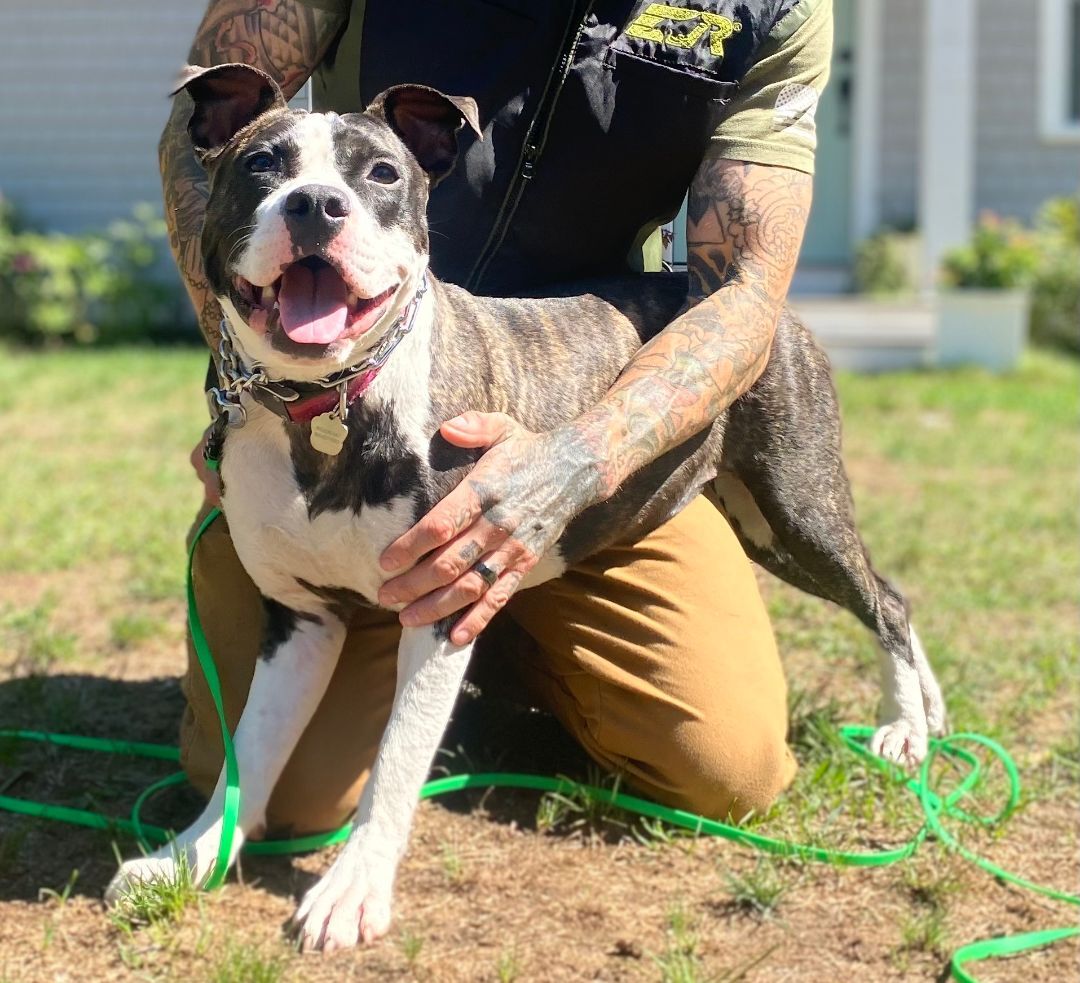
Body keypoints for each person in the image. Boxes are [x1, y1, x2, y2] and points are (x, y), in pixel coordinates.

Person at [163, 0, 832, 836]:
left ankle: (510, 642)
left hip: (593, 406)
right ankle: (428, 641)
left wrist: (572, 466)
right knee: (291, 801)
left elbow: (744, 292)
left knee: (726, 771)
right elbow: (203, 136)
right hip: (320, 422)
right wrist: (255, 371)